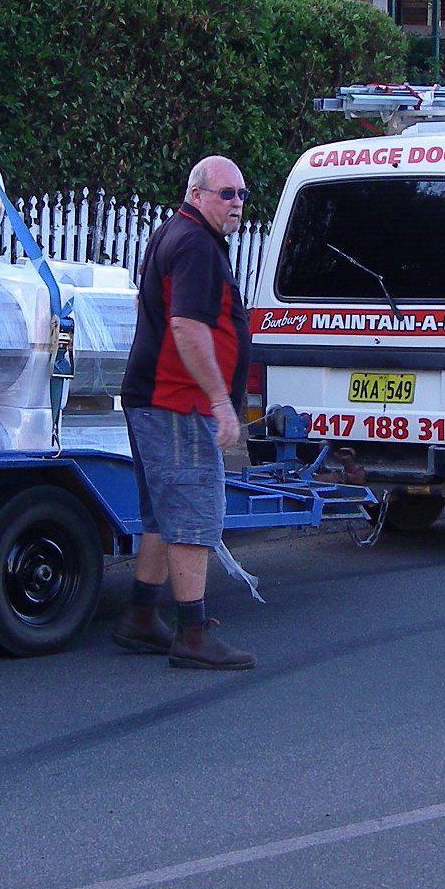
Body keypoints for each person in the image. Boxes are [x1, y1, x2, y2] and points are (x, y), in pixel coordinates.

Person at [111, 154, 255, 670]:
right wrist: (220, 401)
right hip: (177, 402)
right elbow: (187, 327)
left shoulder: (176, 233)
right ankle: (192, 633)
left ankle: (142, 617)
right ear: (197, 195)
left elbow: (148, 305)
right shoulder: (196, 245)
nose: (237, 203)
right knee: (194, 513)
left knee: (161, 513)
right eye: (226, 193)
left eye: (241, 194)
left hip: (155, 398)